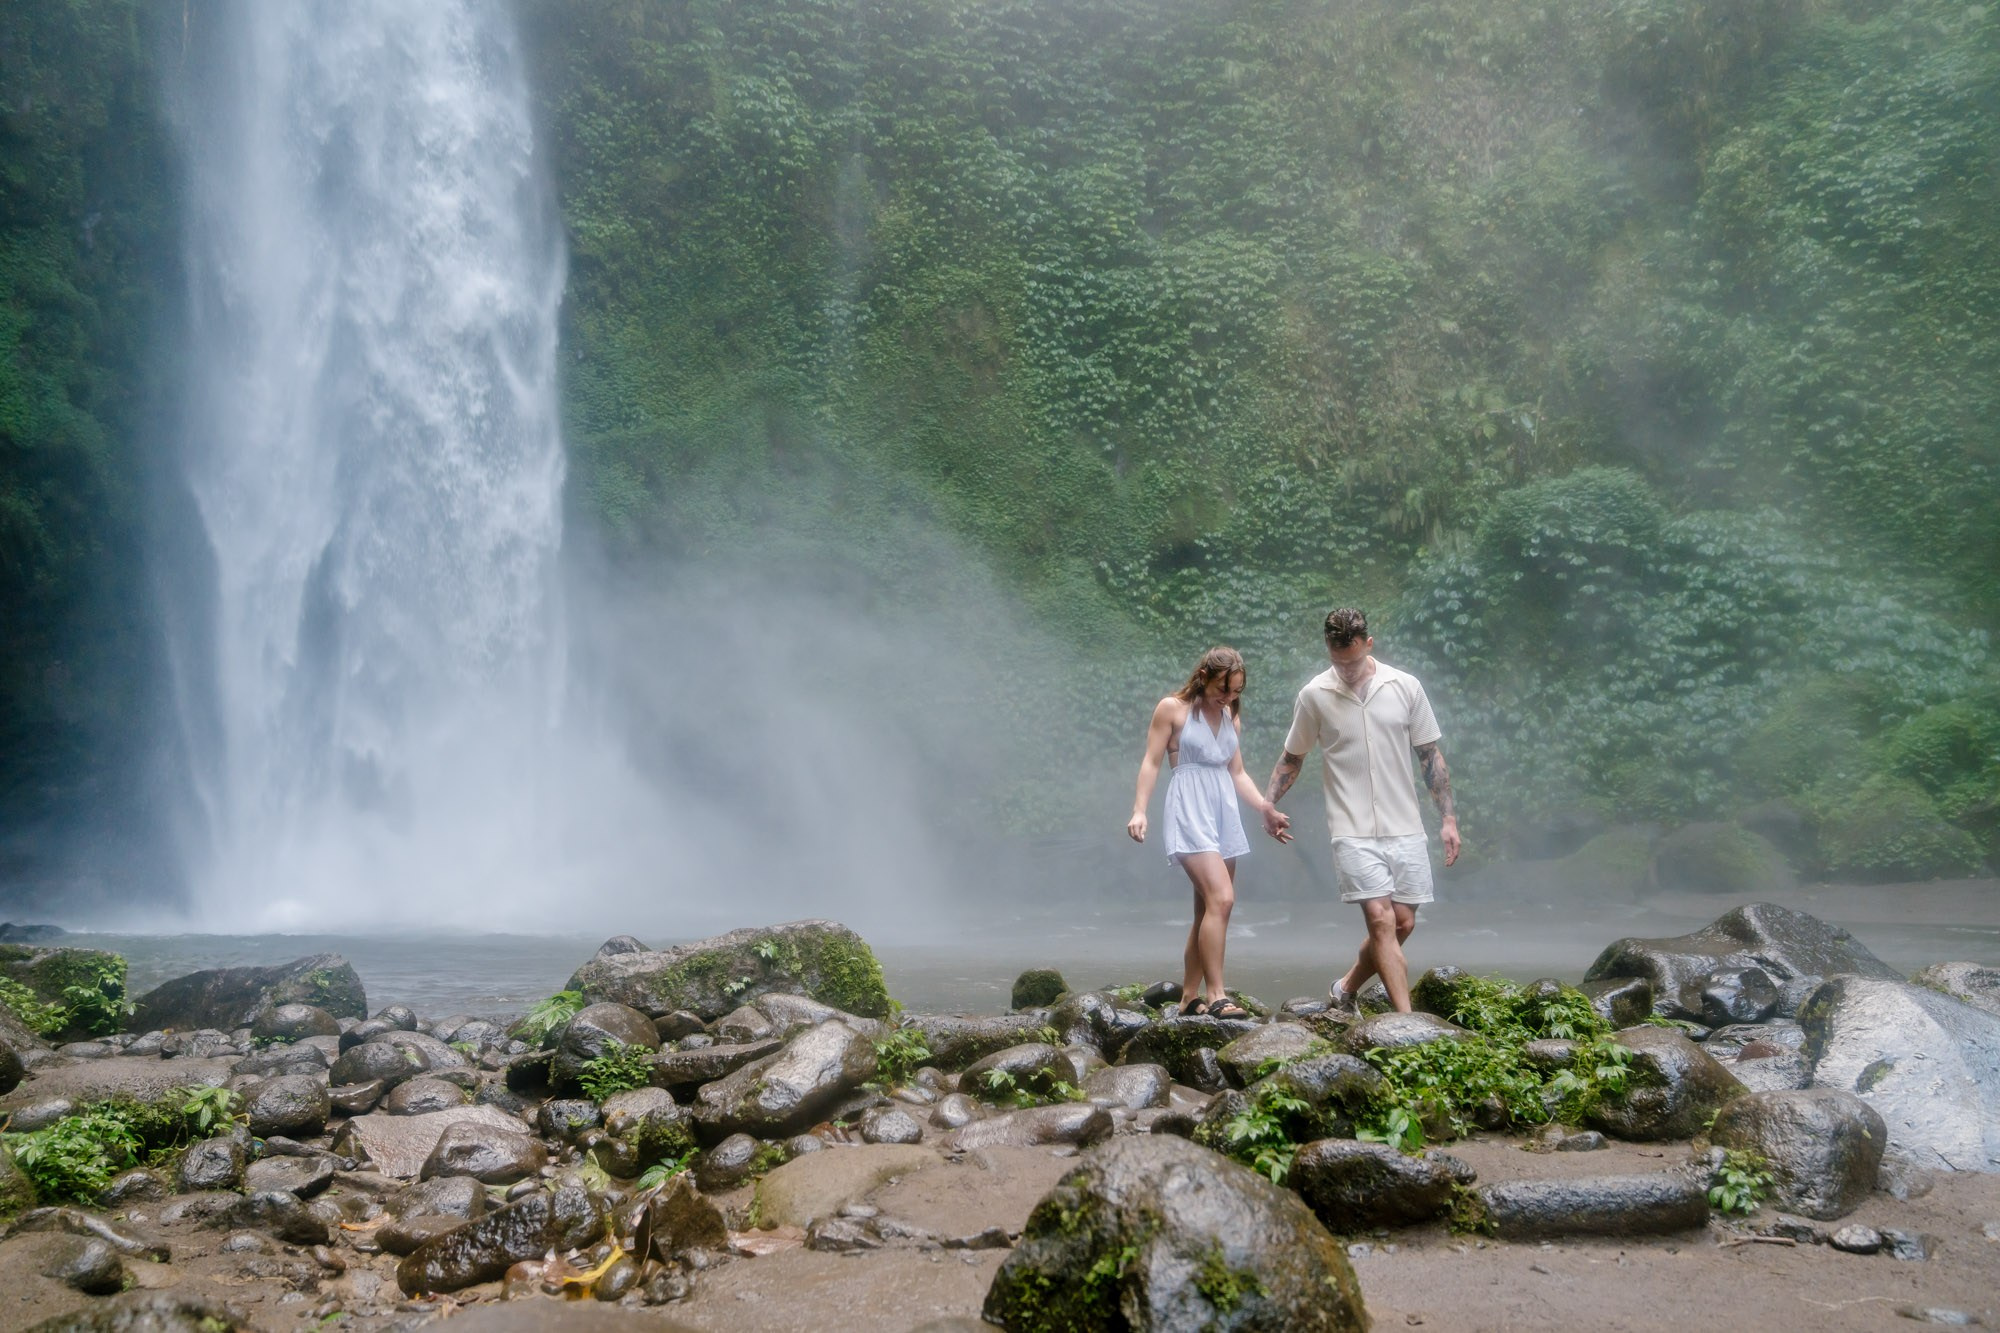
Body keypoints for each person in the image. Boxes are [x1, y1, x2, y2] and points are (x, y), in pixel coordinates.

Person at [1264, 609, 1459, 1014]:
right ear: (1328, 650)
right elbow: (1292, 757)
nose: (1347, 671)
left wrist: (1448, 820)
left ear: (1369, 644)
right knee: (1381, 920)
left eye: (1353, 661)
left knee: (1403, 922)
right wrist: (1269, 804)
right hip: (1350, 827)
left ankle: (1346, 987)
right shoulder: (1314, 695)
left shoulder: (1405, 686)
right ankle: (1404, 1022)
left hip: (1404, 823)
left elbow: (1429, 756)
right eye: (1338, 662)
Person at [1128, 646, 1292, 1019]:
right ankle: (1217, 994)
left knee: (1208, 908)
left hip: (1223, 813)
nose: (1229, 698)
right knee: (1222, 898)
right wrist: (1140, 810)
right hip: (1189, 809)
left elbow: (1237, 772)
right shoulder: (1172, 709)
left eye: (1235, 692)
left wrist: (1264, 807)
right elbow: (1152, 762)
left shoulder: (1231, 715)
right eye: (1223, 689)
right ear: (1203, 677)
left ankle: (1189, 997)